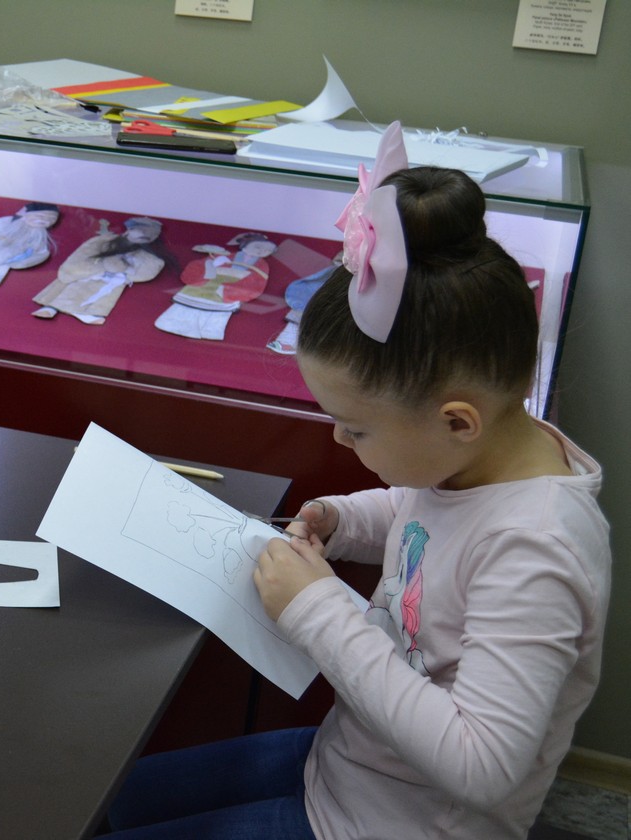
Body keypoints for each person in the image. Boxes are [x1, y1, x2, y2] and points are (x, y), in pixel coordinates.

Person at [104, 123, 610, 839]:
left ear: (456, 420)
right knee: (107, 799)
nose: (339, 440)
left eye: (356, 428)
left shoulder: (536, 551)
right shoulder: (474, 460)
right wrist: (345, 519)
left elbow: (483, 765)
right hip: (351, 765)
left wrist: (317, 611)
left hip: (392, 823)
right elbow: (419, 511)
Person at [31, 216, 168, 325]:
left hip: (115, 278)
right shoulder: (103, 241)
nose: (141, 239)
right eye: (139, 234)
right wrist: (97, 269)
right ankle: (51, 307)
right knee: (74, 284)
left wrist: (123, 274)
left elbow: (150, 269)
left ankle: (85, 312)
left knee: (106, 291)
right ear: (128, 231)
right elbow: (82, 254)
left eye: (147, 237)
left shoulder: (149, 256)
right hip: (90, 270)